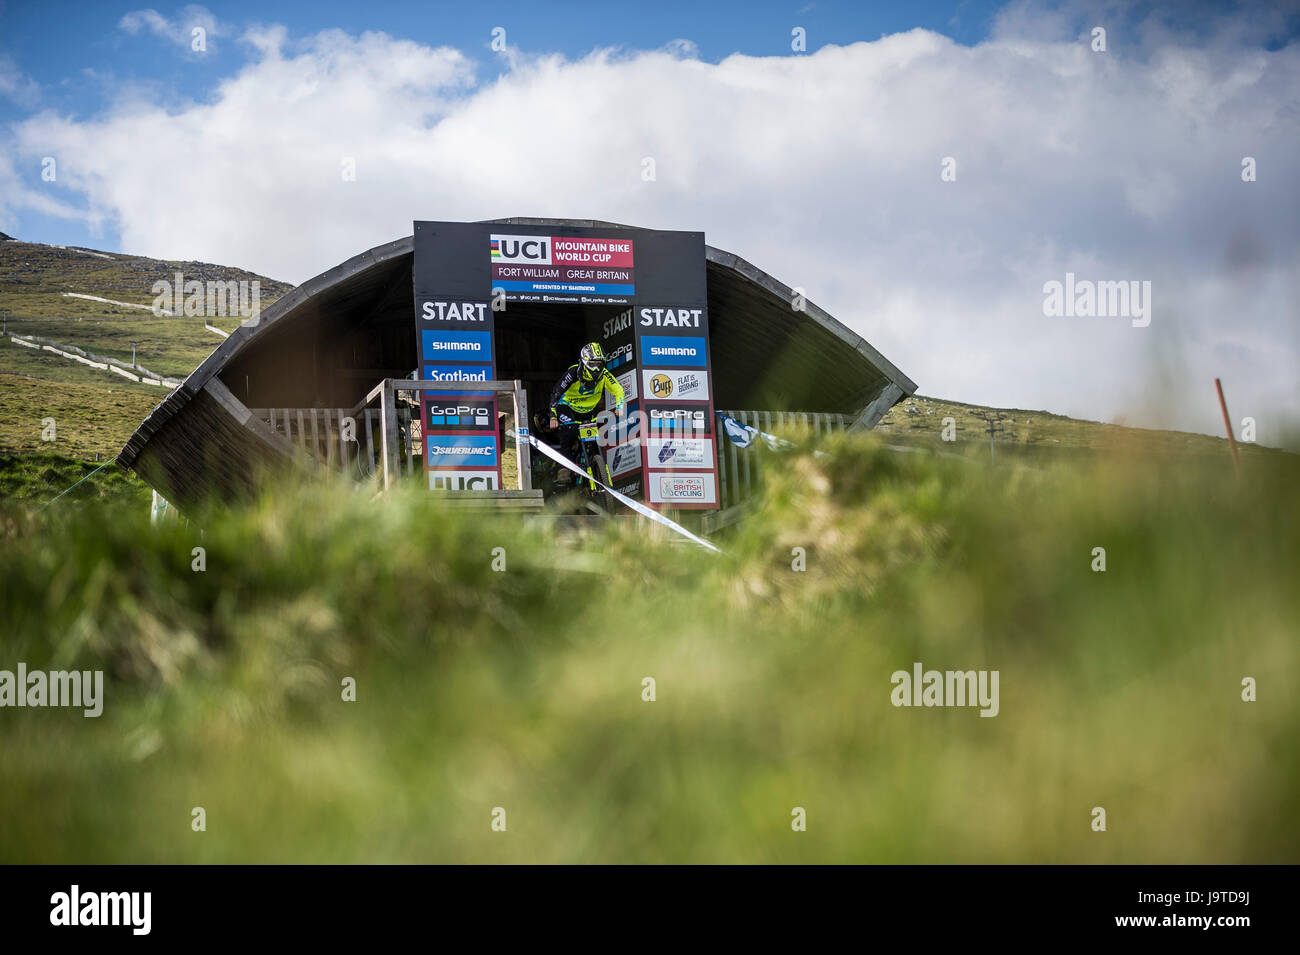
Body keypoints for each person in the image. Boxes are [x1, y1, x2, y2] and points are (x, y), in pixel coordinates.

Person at [548, 342, 626, 429]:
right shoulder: (573, 372)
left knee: (596, 440)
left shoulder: (604, 373)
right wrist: (553, 417)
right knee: (570, 434)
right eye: (592, 364)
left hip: (588, 411)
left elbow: (618, 390)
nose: (596, 369)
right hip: (567, 406)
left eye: (598, 364)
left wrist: (620, 407)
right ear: (584, 363)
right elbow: (556, 393)